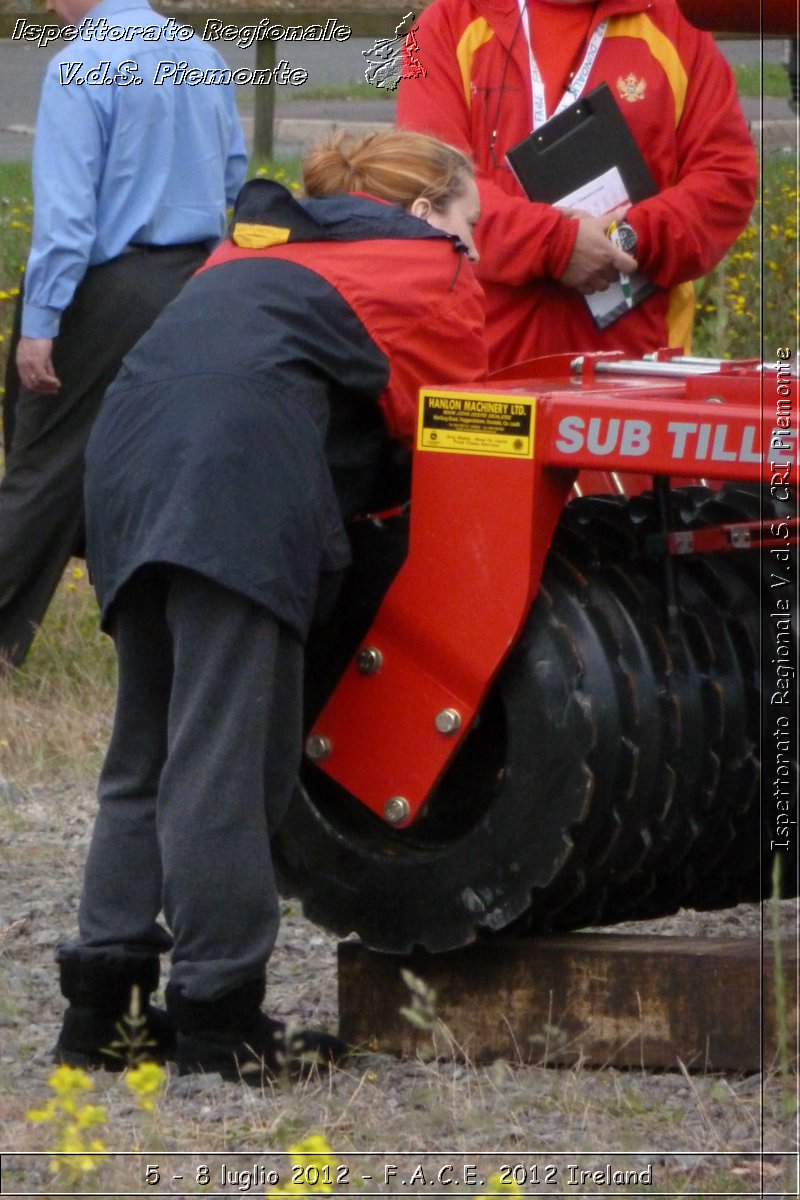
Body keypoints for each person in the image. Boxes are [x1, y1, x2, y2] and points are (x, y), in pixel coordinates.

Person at [54, 130, 487, 1084]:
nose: (477, 250)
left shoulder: (254, 245)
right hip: (231, 490)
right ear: (424, 214)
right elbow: (456, 427)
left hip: (126, 465)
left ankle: (104, 1011)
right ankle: (219, 1016)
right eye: (471, 225)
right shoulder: (428, 268)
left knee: (146, 749)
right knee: (223, 756)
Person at [0, 0, 247, 671]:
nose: (47, 3)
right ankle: (158, 634)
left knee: (43, 463)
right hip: (191, 280)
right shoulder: (200, 55)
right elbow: (233, 175)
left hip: (103, 285)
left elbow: (68, 214)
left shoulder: (81, 65)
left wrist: (43, 320)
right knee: (152, 468)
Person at [397, 0, 758, 369]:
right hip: (481, 365)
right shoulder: (445, 26)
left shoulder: (676, 27)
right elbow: (430, 180)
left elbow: (726, 180)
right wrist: (556, 244)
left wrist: (626, 238)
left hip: (635, 369)